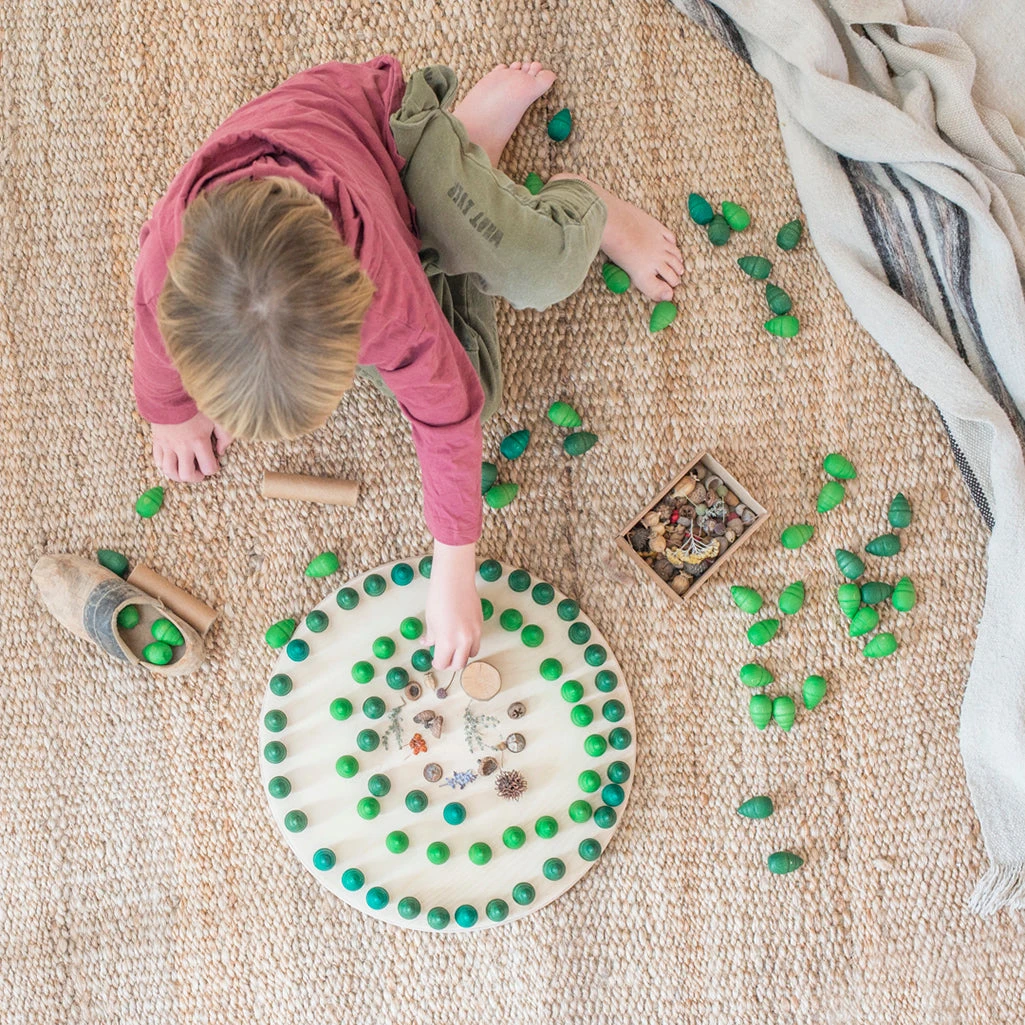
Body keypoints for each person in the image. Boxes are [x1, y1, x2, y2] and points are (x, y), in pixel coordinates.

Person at [133, 56, 684, 672]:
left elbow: (448, 416)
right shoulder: (167, 262)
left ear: (357, 313)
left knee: (540, 271)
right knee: (475, 377)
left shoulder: (386, 295)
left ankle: (561, 195)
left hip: (392, 141)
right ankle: (470, 165)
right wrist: (172, 411)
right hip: (346, 206)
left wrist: (454, 568)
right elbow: (153, 337)